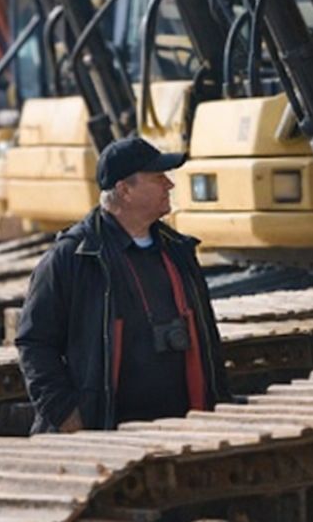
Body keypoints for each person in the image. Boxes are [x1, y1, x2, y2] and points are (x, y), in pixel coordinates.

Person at [16, 135, 229, 434]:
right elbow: (34, 342)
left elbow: (207, 339)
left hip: (178, 430)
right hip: (104, 434)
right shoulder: (72, 256)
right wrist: (65, 415)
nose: (170, 184)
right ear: (124, 190)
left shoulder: (178, 250)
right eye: (158, 177)